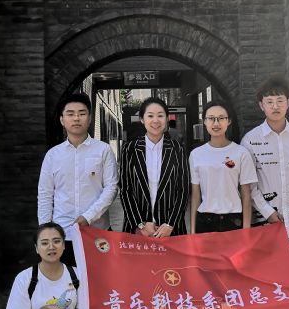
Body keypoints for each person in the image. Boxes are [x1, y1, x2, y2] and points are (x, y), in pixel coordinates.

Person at [242, 76, 289, 263]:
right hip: (266, 219)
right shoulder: (250, 140)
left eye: (280, 101)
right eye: (269, 102)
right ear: (261, 105)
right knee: (270, 270)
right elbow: (249, 184)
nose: (275, 106)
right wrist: (267, 211)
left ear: (288, 103)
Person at [38, 93, 118, 267]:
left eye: (82, 113)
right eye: (70, 114)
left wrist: (88, 217)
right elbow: (45, 194)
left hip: (98, 232)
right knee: (67, 281)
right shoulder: (53, 155)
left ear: (89, 119)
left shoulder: (103, 150)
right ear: (62, 120)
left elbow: (111, 188)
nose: (76, 118)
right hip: (62, 234)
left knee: (100, 278)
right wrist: (45, 230)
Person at [119, 97, 189, 236]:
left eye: (160, 115)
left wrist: (170, 224)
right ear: (142, 119)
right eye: (150, 116)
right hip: (138, 229)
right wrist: (140, 223)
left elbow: (183, 190)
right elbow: (125, 190)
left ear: (167, 119)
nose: (155, 120)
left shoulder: (177, 149)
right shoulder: (130, 149)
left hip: (171, 229)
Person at [189, 102, 257, 233]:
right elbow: (195, 195)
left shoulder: (241, 153)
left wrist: (246, 230)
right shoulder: (196, 154)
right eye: (211, 118)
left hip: (233, 220)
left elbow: (246, 195)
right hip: (205, 221)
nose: (216, 123)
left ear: (229, 121)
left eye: (221, 118)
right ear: (204, 121)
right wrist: (192, 232)